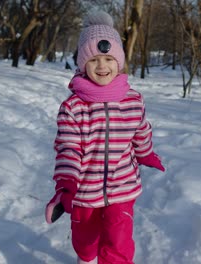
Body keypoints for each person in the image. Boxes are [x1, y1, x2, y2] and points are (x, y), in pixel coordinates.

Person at [45, 11, 165, 264]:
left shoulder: (133, 99)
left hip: (123, 187)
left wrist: (145, 153)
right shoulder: (74, 107)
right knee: (85, 242)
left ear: (119, 61)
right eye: (94, 59)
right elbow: (68, 148)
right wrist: (66, 185)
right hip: (84, 191)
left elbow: (140, 130)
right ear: (82, 64)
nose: (102, 66)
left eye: (109, 58)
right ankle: (86, 258)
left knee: (119, 243)